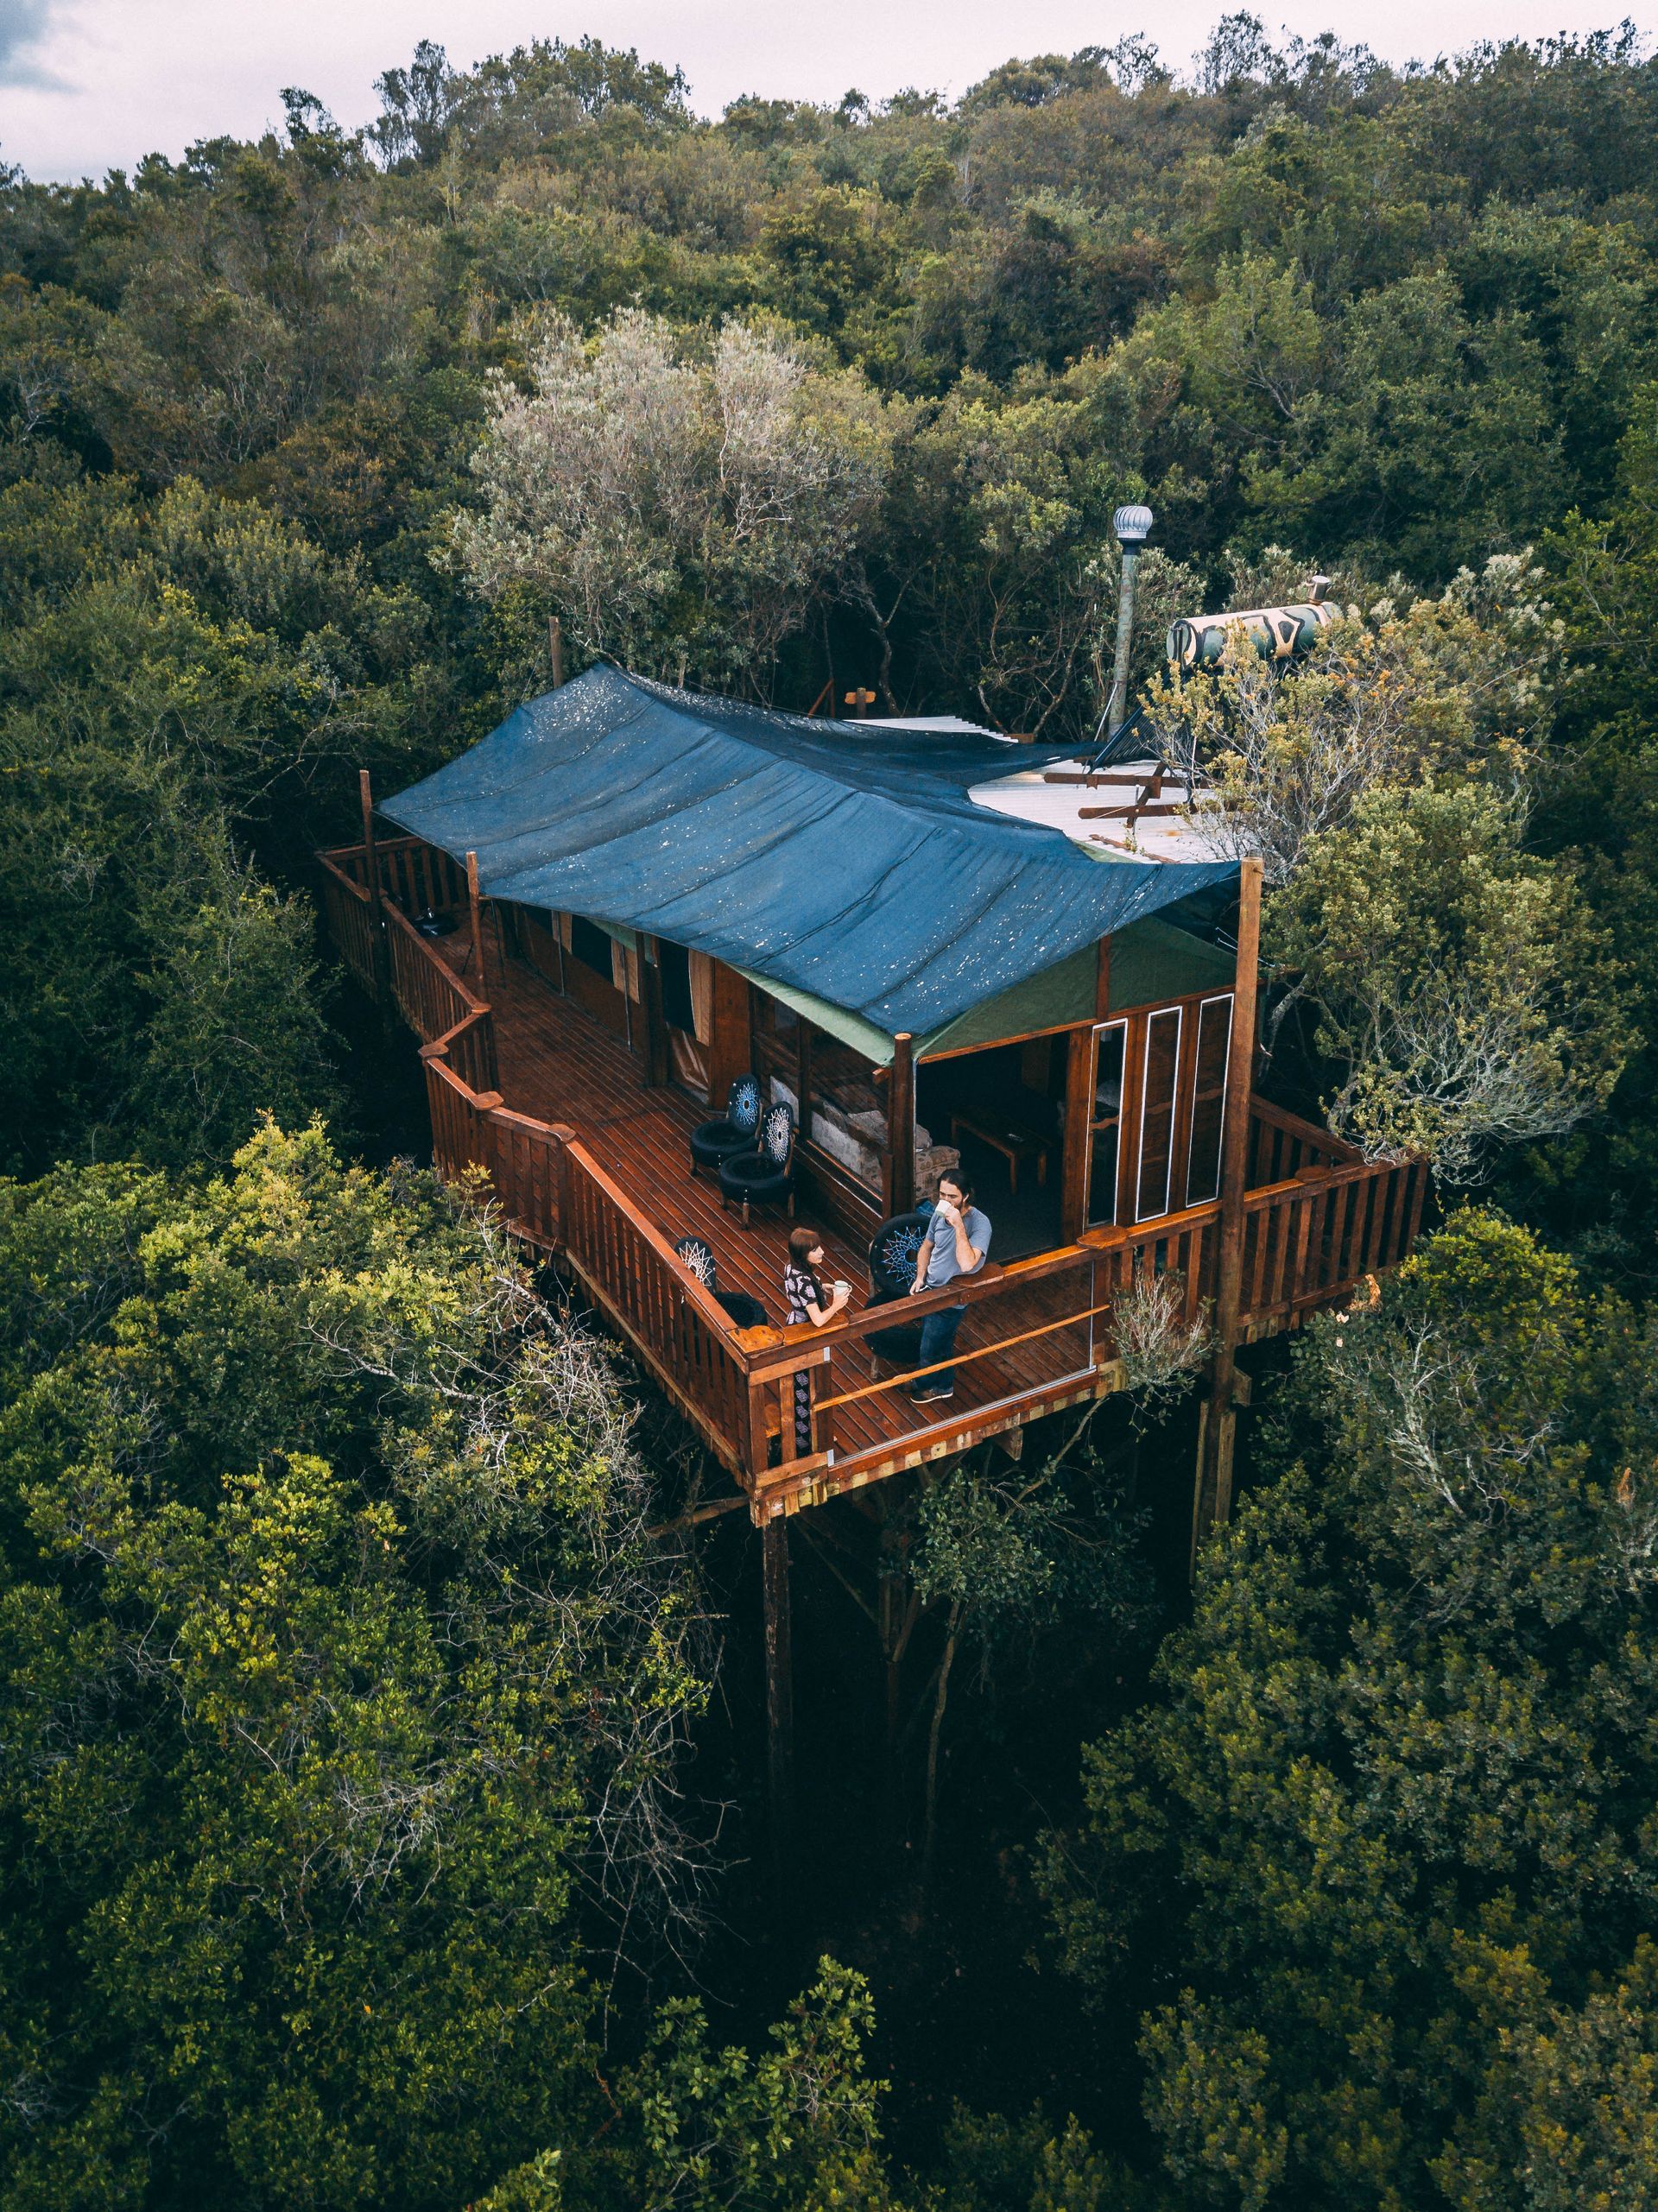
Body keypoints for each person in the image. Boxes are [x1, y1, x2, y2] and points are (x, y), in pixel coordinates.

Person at [906, 1172, 990, 1403]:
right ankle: (943, 1384)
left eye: (951, 1196)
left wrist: (958, 1226)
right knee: (938, 1340)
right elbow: (926, 1246)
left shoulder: (980, 1224)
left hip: (953, 1294)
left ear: (965, 1196)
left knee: (931, 1345)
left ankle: (928, 1385)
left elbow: (967, 1262)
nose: (945, 1200)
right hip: (931, 1287)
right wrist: (920, 1276)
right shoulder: (939, 1212)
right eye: (942, 1194)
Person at [783, 1227, 851, 1455]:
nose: (822, 1252)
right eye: (815, 1250)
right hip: (805, 1337)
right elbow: (819, 1320)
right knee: (806, 1388)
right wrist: (836, 1306)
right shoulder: (804, 1280)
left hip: (793, 1324)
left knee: (805, 1386)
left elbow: (806, 1290)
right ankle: (806, 1444)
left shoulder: (792, 1268)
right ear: (804, 1254)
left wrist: (824, 1287)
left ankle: (814, 1433)